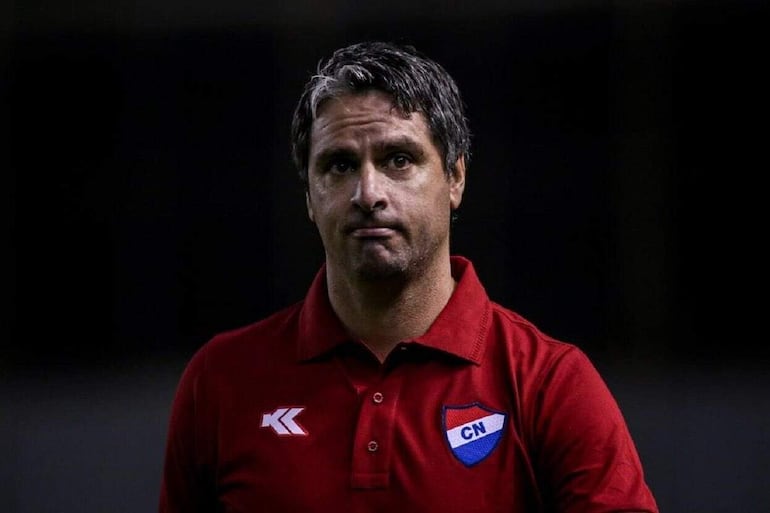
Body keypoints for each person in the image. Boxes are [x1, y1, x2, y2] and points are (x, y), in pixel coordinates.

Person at [159, 41, 658, 513]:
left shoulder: (549, 383)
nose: (368, 193)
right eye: (340, 165)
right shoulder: (221, 381)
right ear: (309, 197)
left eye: (398, 159)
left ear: (455, 177)